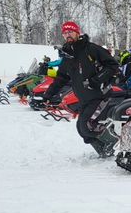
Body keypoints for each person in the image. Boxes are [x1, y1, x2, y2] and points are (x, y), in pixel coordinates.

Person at [43, 21, 120, 157]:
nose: (68, 35)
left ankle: (117, 144)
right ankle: (104, 151)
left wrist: (96, 80)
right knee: (81, 128)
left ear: (77, 33)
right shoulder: (68, 56)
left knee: (87, 125)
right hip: (84, 98)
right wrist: (48, 95)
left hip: (100, 95)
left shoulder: (91, 49)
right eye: (65, 33)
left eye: (70, 32)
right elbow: (61, 78)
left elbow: (112, 65)